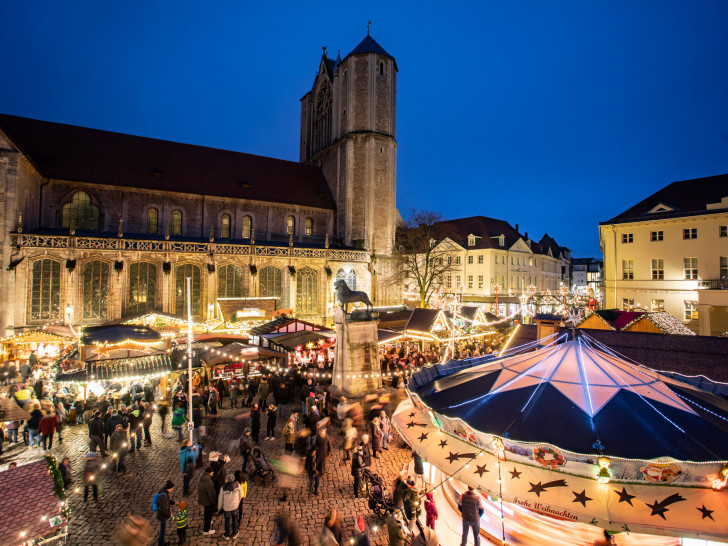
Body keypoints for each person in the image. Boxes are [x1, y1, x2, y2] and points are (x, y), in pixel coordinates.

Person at [218, 473, 241, 540]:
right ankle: (235, 532)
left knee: (227, 521)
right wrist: (238, 502)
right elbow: (241, 494)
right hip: (235, 506)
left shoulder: (223, 488)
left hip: (227, 507)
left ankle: (227, 534)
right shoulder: (237, 485)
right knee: (235, 519)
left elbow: (220, 499)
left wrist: (219, 507)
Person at [154, 480, 175, 546]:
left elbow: (167, 500)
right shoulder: (164, 496)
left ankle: (162, 542)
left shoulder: (164, 491)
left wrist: (173, 503)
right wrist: (169, 514)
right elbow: (162, 509)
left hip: (162, 515)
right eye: (172, 488)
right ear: (169, 488)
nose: (172, 489)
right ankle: (161, 544)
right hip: (162, 516)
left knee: (163, 530)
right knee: (162, 531)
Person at [198, 467, 217, 535]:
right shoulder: (208, 482)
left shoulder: (202, 477)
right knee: (208, 514)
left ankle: (208, 522)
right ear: (209, 473)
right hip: (208, 501)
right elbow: (211, 494)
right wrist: (214, 502)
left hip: (203, 498)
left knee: (206, 512)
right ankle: (206, 530)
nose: (213, 474)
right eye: (212, 473)